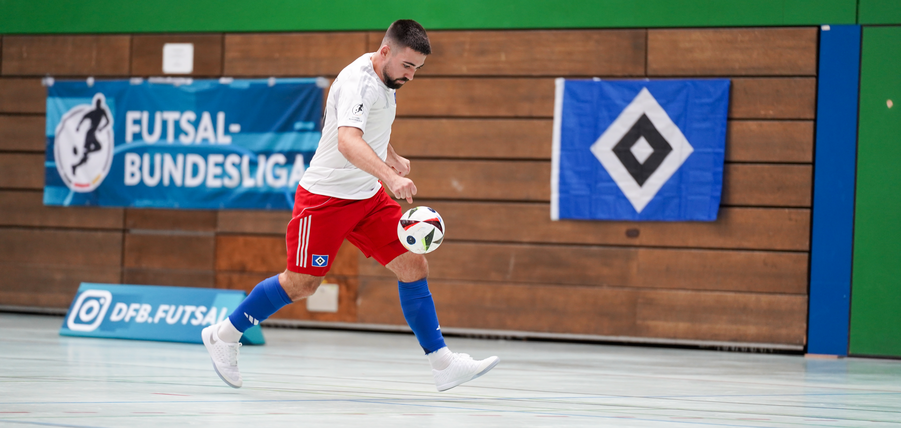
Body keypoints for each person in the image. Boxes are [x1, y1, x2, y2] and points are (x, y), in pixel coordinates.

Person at [202, 19, 499, 392]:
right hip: (325, 199)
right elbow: (346, 140)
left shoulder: (385, 78)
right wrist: (392, 179)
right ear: (386, 51)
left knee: (413, 264)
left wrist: (389, 154)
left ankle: (442, 364)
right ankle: (224, 335)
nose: (411, 76)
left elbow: (361, 125)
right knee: (302, 284)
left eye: (417, 69)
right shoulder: (361, 80)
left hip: (366, 196)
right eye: (407, 66)